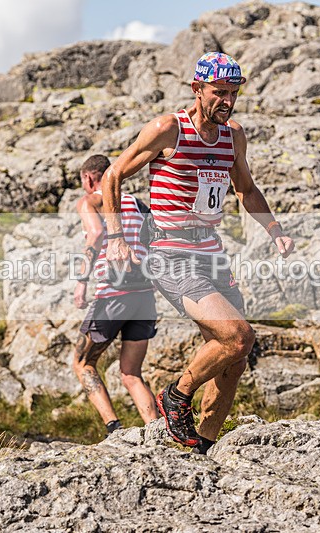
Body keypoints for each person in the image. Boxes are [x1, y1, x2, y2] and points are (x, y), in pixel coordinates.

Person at [101, 52, 295, 453]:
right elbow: (113, 175)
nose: (227, 101)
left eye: (233, 93)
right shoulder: (168, 129)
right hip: (170, 254)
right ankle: (176, 394)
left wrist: (273, 228)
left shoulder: (232, 136)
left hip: (212, 255)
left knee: (234, 359)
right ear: (197, 89)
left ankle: (202, 446)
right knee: (238, 336)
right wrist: (116, 237)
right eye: (219, 93)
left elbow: (246, 189)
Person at [72, 154, 158, 436]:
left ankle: (114, 428)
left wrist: (82, 282)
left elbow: (96, 234)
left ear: (88, 178)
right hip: (144, 295)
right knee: (131, 373)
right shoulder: (137, 203)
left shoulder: (91, 201)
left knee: (82, 363)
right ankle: (156, 432)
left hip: (113, 294)